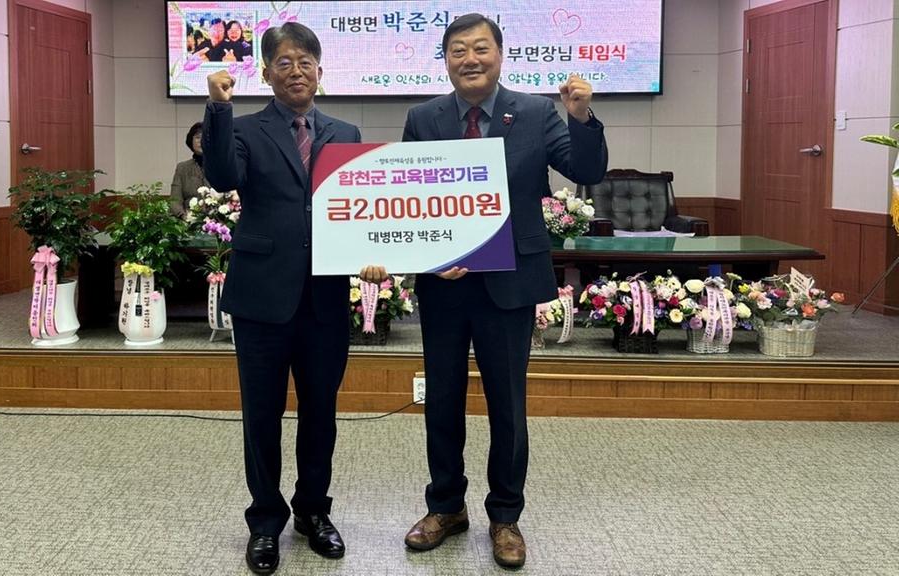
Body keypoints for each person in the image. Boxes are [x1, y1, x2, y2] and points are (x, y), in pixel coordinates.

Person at [400, 13, 608, 569]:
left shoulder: (537, 112)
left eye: (480, 48)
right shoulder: (423, 117)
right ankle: (446, 507)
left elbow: (586, 168)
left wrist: (581, 116)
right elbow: (411, 197)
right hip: (444, 284)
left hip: (510, 281)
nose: (469, 59)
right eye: (458, 50)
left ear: (500, 54)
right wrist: (425, 257)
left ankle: (505, 516)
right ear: (445, 60)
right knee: (442, 400)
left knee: (508, 406)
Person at [203, 22, 383, 575]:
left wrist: (371, 254)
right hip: (262, 297)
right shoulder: (245, 129)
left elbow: (360, 207)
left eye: (306, 61)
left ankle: (313, 512)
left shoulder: (346, 131)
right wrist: (218, 108)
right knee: (261, 415)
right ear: (266, 73)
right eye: (284, 62)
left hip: (324, 297)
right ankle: (264, 522)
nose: (296, 71)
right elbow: (222, 176)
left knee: (320, 414)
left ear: (320, 71)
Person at [168, 122, 208, 217]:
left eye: (205, 138)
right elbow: (175, 200)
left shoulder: (221, 166)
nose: (201, 141)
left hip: (217, 220)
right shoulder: (182, 168)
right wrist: (183, 216)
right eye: (197, 137)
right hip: (188, 219)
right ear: (191, 141)